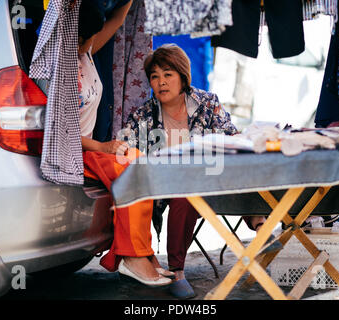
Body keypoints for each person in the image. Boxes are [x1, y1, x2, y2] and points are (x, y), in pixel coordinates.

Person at [125, 44, 268, 298]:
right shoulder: (144, 116)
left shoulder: (207, 104)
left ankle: (261, 228)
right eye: (155, 76)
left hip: (210, 178)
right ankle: (177, 272)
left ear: (183, 77)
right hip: (163, 185)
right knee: (184, 189)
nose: (161, 82)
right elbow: (128, 153)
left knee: (245, 157)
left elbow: (232, 138)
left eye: (168, 74)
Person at [76, 0, 171, 287]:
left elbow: (116, 21)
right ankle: (131, 257)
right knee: (130, 170)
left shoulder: (87, 53)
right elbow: (59, 133)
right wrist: (103, 147)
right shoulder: (61, 68)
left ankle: (143, 253)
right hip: (73, 152)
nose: (91, 42)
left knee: (142, 162)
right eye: (86, 38)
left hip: (91, 149)